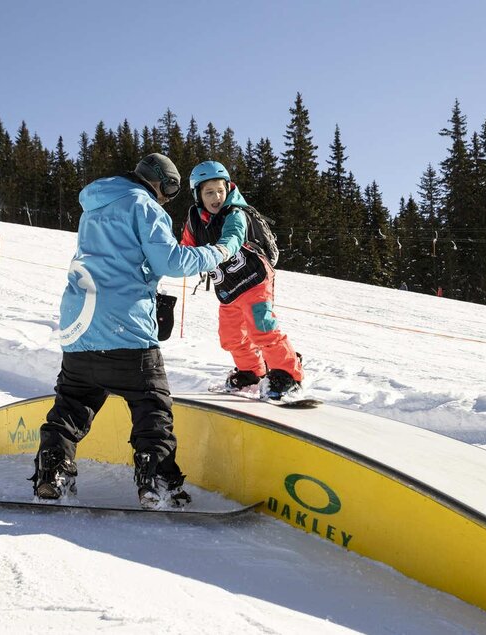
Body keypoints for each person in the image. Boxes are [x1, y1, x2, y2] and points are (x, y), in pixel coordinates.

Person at [31, 153, 241, 508]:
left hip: (79, 326)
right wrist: (220, 250)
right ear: (161, 181)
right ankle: (155, 479)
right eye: (170, 189)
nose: (167, 198)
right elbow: (171, 261)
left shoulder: (94, 206)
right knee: (151, 405)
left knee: (71, 406)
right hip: (125, 327)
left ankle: (53, 472)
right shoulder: (143, 205)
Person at [180, 160, 304, 400]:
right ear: (198, 195)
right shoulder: (194, 221)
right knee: (231, 336)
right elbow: (184, 250)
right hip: (229, 288)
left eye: (220, 190)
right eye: (209, 192)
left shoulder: (235, 214)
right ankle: (251, 372)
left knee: (262, 328)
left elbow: (233, 237)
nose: (216, 196)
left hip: (254, 280)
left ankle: (289, 374)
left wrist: (220, 251)